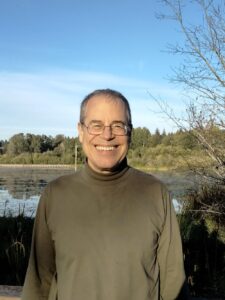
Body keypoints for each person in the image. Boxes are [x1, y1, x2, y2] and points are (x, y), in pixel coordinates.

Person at [22, 89, 186, 300]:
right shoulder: (55, 195)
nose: (107, 135)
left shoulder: (155, 193)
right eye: (96, 125)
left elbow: (174, 284)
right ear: (81, 131)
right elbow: (38, 283)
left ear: (130, 133)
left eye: (118, 125)